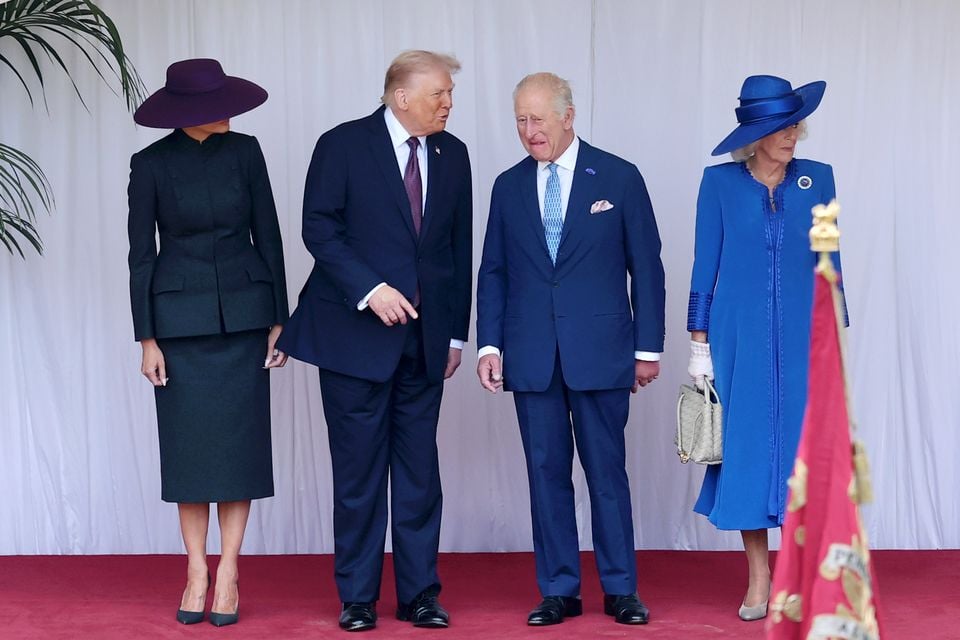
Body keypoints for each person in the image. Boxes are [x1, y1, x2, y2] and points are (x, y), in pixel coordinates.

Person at [278, 50, 472, 632]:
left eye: (449, 93)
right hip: (353, 339)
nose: (448, 103)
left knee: (420, 476)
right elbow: (319, 226)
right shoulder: (342, 144)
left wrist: (455, 334)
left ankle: (420, 596)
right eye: (439, 93)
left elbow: (457, 250)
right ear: (400, 96)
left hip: (425, 342)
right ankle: (357, 596)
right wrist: (371, 289)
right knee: (359, 474)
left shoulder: (453, 152)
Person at [476, 72, 665, 626]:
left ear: (568, 115)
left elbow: (646, 268)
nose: (529, 131)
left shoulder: (619, 176)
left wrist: (648, 348)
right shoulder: (507, 187)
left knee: (607, 473)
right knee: (545, 474)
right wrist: (490, 344)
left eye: (538, 118)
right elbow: (493, 271)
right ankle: (558, 589)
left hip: (603, 352)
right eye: (520, 120)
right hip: (531, 353)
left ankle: (620, 588)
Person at [127, 58, 289, 627]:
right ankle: (195, 568)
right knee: (192, 455)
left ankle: (229, 569)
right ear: (189, 112)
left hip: (244, 319)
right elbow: (140, 257)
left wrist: (278, 317)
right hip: (179, 329)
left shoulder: (247, 153)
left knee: (237, 451)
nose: (229, 113)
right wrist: (146, 337)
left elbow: (268, 233)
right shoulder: (148, 165)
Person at [687, 74, 847, 622]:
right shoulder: (720, 185)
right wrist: (699, 345)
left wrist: (837, 332)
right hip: (740, 341)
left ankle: (806, 576)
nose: (792, 135)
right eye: (779, 127)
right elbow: (704, 266)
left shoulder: (818, 179)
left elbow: (832, 261)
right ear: (753, 134)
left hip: (806, 339)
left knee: (808, 456)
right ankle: (762, 577)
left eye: (795, 123)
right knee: (750, 455)